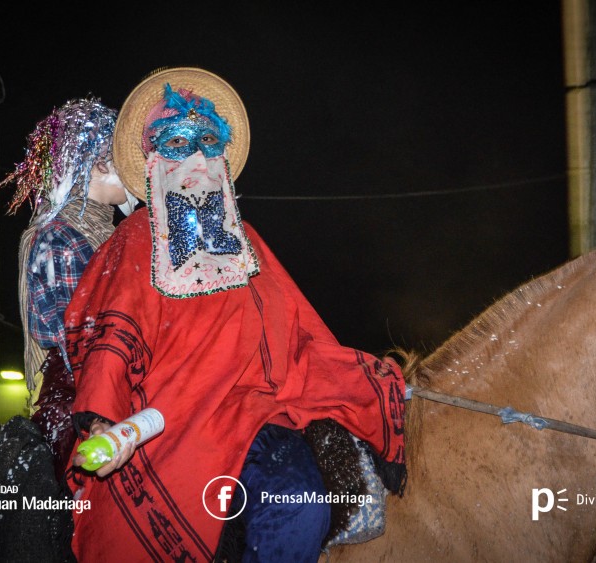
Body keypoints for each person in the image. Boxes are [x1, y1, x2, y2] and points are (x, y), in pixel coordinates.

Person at [64, 67, 407, 562]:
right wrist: (102, 419)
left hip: (257, 410)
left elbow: (298, 332)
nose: (197, 155)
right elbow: (113, 337)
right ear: (154, 158)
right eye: (177, 142)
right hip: (168, 414)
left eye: (207, 140)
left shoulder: (247, 242)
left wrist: (364, 378)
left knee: (300, 502)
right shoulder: (136, 239)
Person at [0, 97, 137, 476]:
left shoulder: (118, 235)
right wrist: (101, 413)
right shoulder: (60, 236)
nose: (138, 172)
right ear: (99, 164)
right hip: (82, 403)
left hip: (119, 389)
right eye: (127, 160)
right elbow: (69, 337)